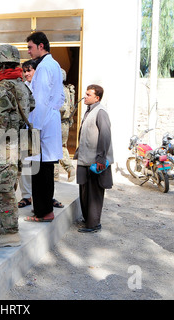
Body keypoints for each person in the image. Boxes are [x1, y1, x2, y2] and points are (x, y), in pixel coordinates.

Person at [0, 44, 35, 247]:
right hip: (17, 143)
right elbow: (32, 104)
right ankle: (3, 226)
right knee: (8, 187)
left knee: (2, 188)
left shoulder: (2, 87)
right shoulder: (21, 84)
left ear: (0, 64)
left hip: (3, 146)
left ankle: (10, 232)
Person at [24, 31, 64, 222]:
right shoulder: (54, 65)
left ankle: (43, 212)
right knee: (45, 169)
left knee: (40, 171)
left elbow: (38, 100)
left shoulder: (44, 67)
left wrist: (35, 128)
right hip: (50, 120)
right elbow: (60, 97)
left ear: (41, 46)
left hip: (42, 123)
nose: (28, 52)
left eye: (30, 47)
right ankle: (44, 209)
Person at [74, 84, 113, 233]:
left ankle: (93, 224)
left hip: (95, 161)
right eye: (85, 93)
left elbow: (105, 135)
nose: (85, 96)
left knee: (94, 193)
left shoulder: (101, 112)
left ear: (97, 98)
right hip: (85, 159)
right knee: (84, 191)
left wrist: (101, 158)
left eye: (88, 94)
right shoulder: (89, 111)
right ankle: (88, 220)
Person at [17, 59, 36, 209]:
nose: (26, 74)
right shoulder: (22, 87)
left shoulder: (41, 87)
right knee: (26, 164)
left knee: (39, 166)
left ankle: (42, 195)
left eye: (29, 70)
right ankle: (26, 196)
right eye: (24, 71)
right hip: (25, 130)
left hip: (38, 130)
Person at [54, 68, 76, 182]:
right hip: (65, 123)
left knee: (53, 147)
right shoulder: (67, 89)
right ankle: (69, 169)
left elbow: (61, 108)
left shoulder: (58, 90)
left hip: (58, 122)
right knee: (61, 147)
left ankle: (56, 174)